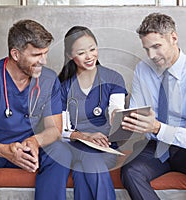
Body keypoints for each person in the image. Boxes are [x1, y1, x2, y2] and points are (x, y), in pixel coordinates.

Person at [0, 19, 70, 200]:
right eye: (36, 55)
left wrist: (34, 141)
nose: (43, 61)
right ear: (15, 54)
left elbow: (54, 129)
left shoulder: (48, 80)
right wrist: (3, 150)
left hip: (30, 151)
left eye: (45, 53)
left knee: (60, 152)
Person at [120, 13, 186, 200]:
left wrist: (158, 127)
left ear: (173, 38)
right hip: (155, 147)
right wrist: (122, 120)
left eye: (156, 46)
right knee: (130, 171)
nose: (151, 55)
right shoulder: (143, 69)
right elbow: (136, 112)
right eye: (147, 49)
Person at [58, 26, 128, 200]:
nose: (89, 56)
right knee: (88, 159)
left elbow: (116, 110)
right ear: (69, 56)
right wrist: (84, 136)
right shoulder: (62, 86)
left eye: (92, 49)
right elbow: (60, 129)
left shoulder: (113, 78)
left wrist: (117, 116)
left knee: (84, 172)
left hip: (105, 147)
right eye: (81, 53)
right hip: (73, 146)